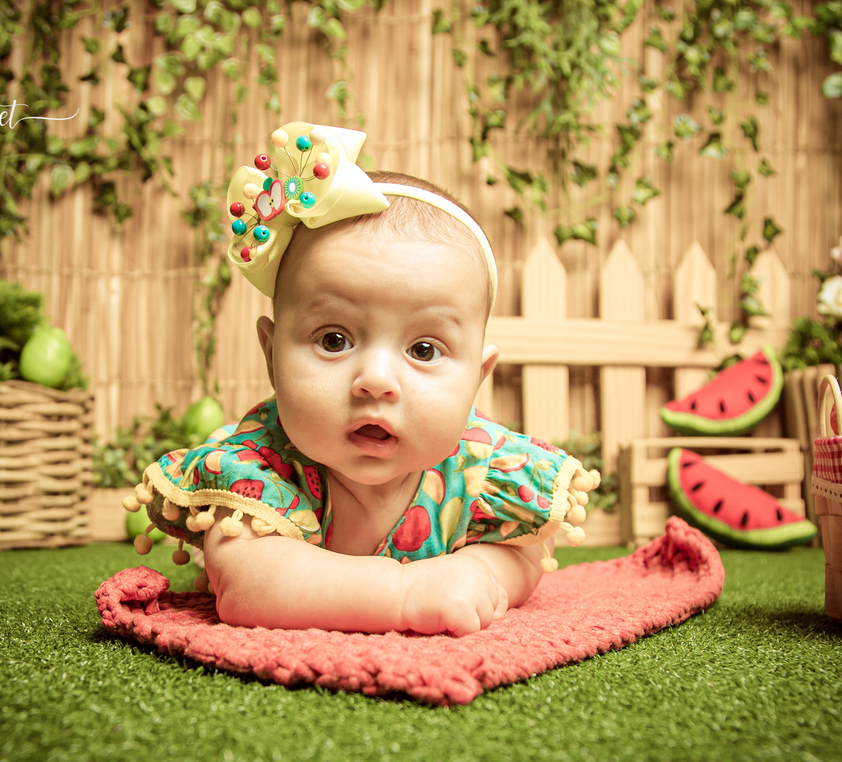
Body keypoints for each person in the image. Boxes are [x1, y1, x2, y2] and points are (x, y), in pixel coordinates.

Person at [124, 122, 599, 637]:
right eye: (334, 340)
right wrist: (406, 594)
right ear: (272, 357)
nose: (375, 380)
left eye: (423, 350)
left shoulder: (482, 466)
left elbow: (525, 552)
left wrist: (479, 570)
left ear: (477, 379)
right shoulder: (259, 467)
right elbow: (248, 584)